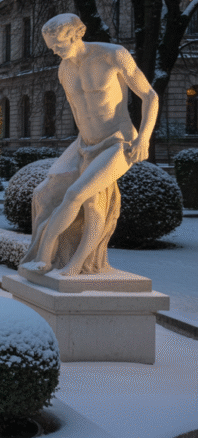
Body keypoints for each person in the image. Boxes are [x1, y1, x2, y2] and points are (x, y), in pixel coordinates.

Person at [20, 14, 158, 276]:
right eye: (52, 48)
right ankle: (61, 257)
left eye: (60, 45)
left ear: (76, 34)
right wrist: (80, 150)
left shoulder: (113, 55)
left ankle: (52, 257)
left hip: (118, 143)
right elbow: (79, 113)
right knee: (47, 193)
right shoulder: (65, 69)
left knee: (76, 195)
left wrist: (144, 137)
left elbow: (150, 95)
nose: (56, 52)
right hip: (85, 144)